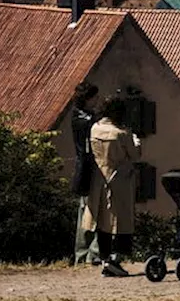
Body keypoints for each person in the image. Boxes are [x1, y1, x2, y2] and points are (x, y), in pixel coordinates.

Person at [85, 95, 141, 277]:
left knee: (102, 222)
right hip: (119, 180)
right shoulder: (121, 134)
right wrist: (136, 139)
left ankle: (104, 258)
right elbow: (135, 155)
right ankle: (115, 260)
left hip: (99, 179)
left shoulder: (94, 129)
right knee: (121, 221)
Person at [70, 82, 101, 266]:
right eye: (94, 97)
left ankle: (84, 255)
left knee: (88, 212)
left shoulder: (83, 115)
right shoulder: (81, 118)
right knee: (90, 212)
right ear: (87, 98)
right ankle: (86, 254)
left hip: (87, 169)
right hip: (88, 170)